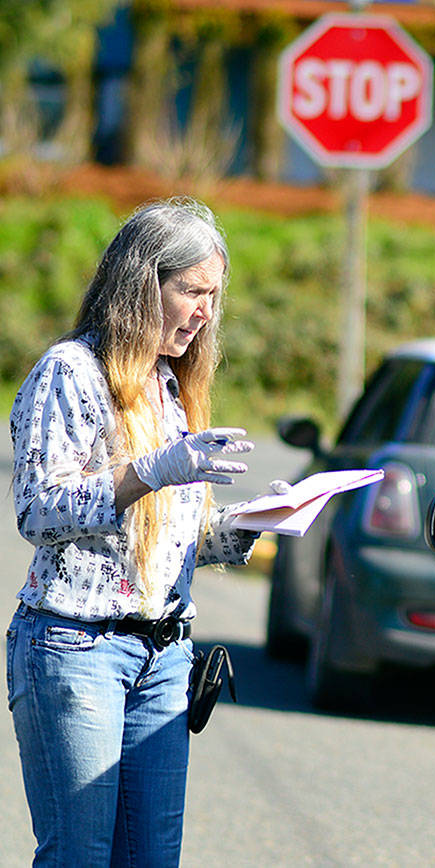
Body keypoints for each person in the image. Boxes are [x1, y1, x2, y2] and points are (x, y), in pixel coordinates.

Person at [6, 197, 271, 866]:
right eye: (193, 291)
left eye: (214, 295)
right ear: (140, 282)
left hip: (164, 657)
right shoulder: (71, 371)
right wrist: (146, 471)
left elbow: (152, 548)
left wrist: (247, 525)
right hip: (76, 650)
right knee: (80, 856)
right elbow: (37, 511)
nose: (206, 311)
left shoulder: (166, 383)